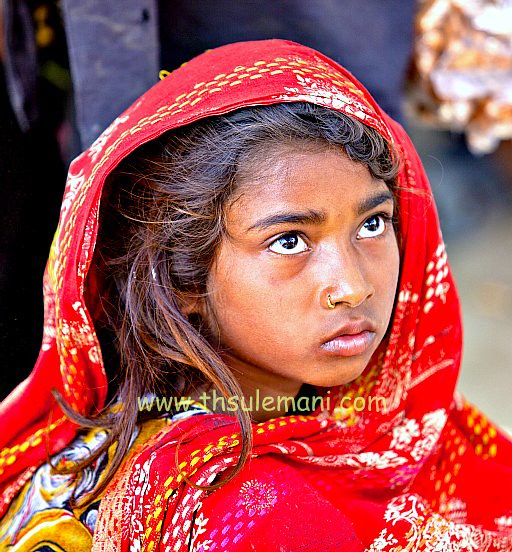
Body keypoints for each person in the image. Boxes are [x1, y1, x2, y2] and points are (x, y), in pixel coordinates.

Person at [0, 40, 511, 550]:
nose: (352, 286)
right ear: (183, 281)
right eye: (288, 241)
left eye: (373, 224)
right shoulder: (264, 514)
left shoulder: (103, 435)